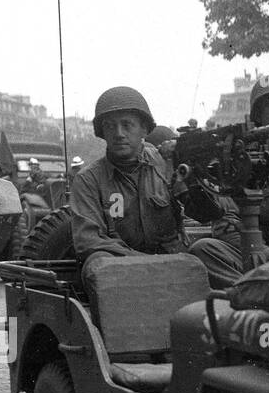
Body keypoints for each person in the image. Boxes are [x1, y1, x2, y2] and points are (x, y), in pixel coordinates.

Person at [188, 73, 269, 287]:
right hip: (262, 251)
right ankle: (265, 291)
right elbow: (226, 222)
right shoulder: (242, 157)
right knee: (204, 249)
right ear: (258, 114)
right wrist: (267, 252)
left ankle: (260, 289)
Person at [70, 86, 185, 279]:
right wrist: (143, 262)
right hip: (122, 270)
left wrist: (190, 164)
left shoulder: (167, 164)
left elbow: (205, 214)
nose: (119, 133)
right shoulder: (88, 180)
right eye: (110, 126)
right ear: (102, 133)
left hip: (173, 262)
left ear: (144, 129)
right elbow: (88, 240)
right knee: (97, 261)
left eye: (127, 124)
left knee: (205, 249)